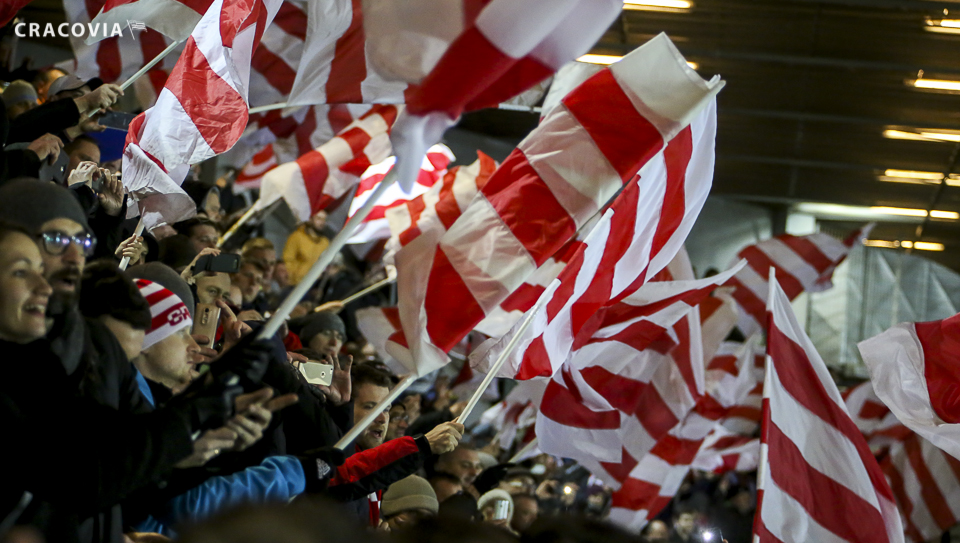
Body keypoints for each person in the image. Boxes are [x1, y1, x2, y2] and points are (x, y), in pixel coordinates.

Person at [283, 209, 330, 285]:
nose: (322, 222)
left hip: (313, 285)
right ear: (310, 219)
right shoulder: (297, 237)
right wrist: (295, 277)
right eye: (319, 218)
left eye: (324, 219)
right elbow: (287, 260)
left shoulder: (325, 243)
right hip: (294, 284)